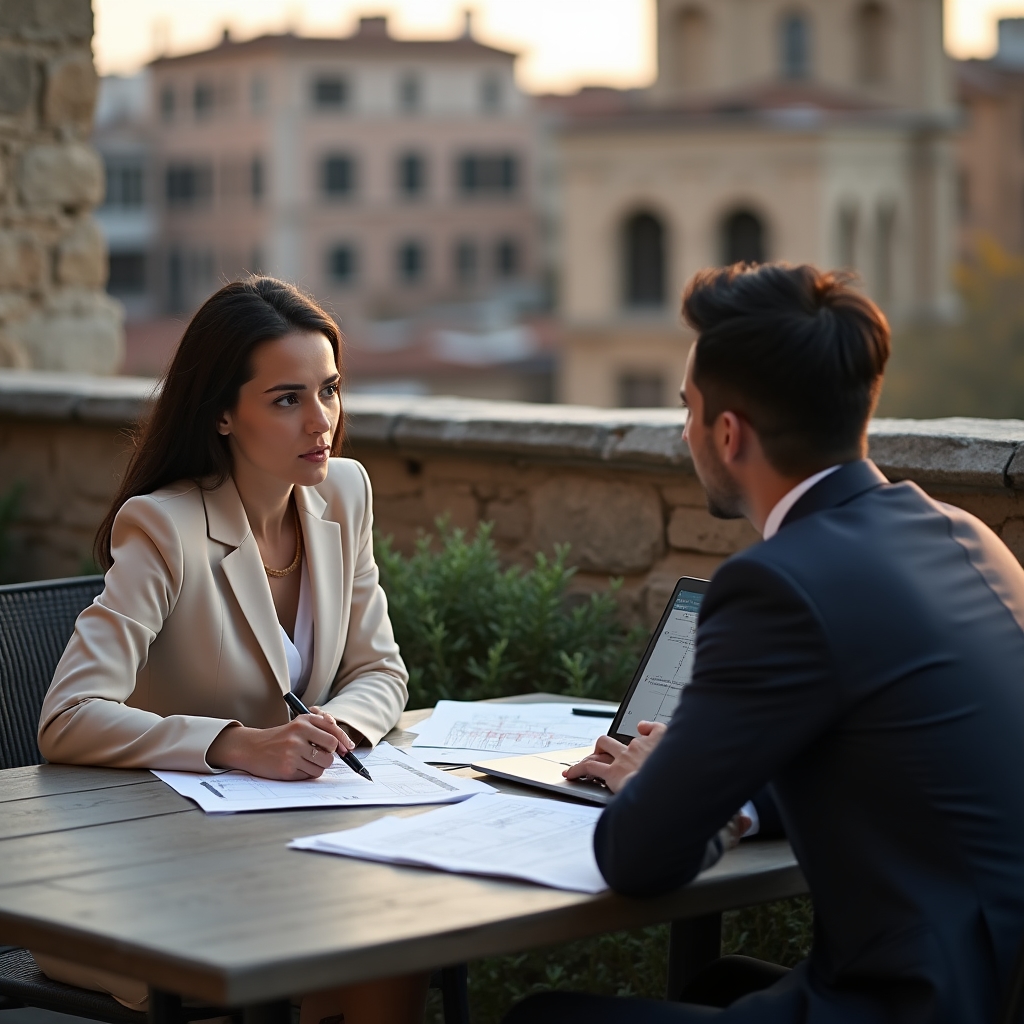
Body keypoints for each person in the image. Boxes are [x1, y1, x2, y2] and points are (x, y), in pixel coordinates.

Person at [507, 263, 1024, 1024]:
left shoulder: (780, 584)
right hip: (988, 982)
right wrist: (737, 809)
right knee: (717, 986)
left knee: (541, 1020)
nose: (684, 431)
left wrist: (658, 785)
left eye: (687, 410)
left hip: (911, 1003)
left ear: (727, 432)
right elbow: (870, 755)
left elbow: (639, 860)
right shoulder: (963, 534)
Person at [36, 277, 425, 1024]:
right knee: (357, 954)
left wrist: (336, 729)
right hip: (151, 877)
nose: (322, 421)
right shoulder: (164, 527)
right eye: (287, 399)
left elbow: (380, 669)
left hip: (295, 852)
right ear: (222, 412)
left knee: (398, 944)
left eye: (331, 390)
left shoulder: (344, 493)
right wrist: (237, 746)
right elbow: (68, 716)